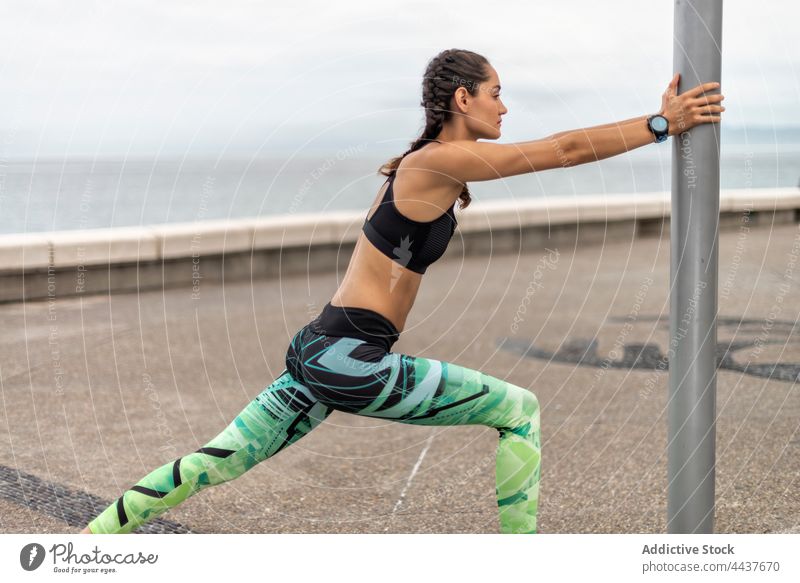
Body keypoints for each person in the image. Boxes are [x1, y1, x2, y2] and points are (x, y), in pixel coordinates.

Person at [81, 48, 724, 534]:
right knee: (518, 410)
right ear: (463, 98)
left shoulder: (425, 165)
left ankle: (89, 543)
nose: (506, 106)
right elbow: (561, 149)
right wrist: (660, 123)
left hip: (323, 348)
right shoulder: (434, 162)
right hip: (347, 357)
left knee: (213, 464)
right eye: (498, 93)